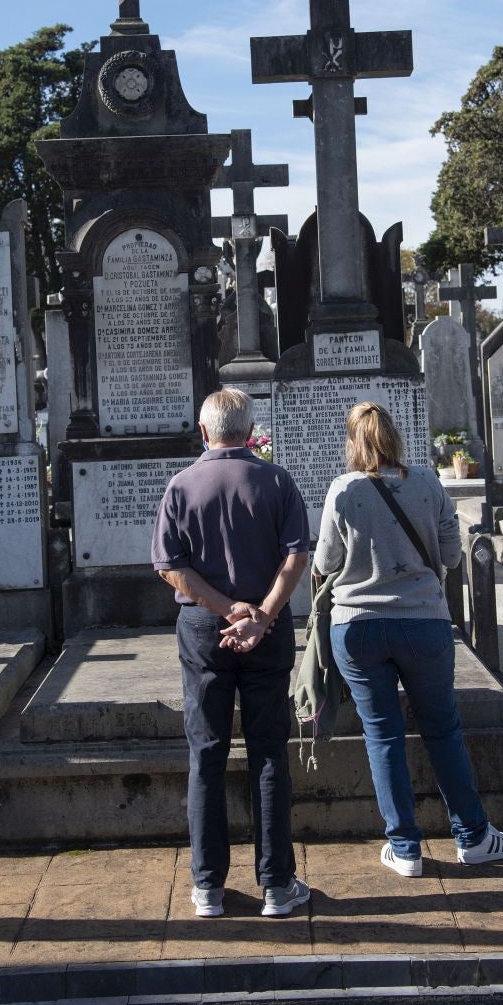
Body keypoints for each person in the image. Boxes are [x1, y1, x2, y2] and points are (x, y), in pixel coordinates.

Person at [313, 401, 503, 875]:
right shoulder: (427, 483)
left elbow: (324, 563)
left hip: (358, 626)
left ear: (354, 442)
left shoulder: (343, 490)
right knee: (443, 730)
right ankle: (472, 836)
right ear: (394, 437)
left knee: (382, 734)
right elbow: (449, 555)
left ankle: (404, 848)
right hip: (423, 622)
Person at [152, 387, 311, 919]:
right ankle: (277, 887)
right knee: (269, 752)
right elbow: (295, 559)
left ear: (204, 431)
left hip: (204, 631)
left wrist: (225, 610)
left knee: (207, 754)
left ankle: (207, 889)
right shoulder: (276, 480)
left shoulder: (180, 486)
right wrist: (260, 614)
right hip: (266, 631)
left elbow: (171, 567)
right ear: (249, 430)